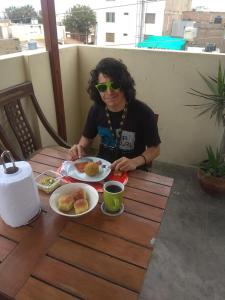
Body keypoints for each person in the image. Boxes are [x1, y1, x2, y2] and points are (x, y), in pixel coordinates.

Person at [69, 57, 161, 172]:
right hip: (102, 169)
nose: (109, 92)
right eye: (102, 87)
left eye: (114, 85)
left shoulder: (143, 112)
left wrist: (135, 162)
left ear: (124, 85)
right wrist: (79, 147)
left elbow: (155, 149)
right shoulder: (96, 109)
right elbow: (87, 136)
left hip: (133, 171)